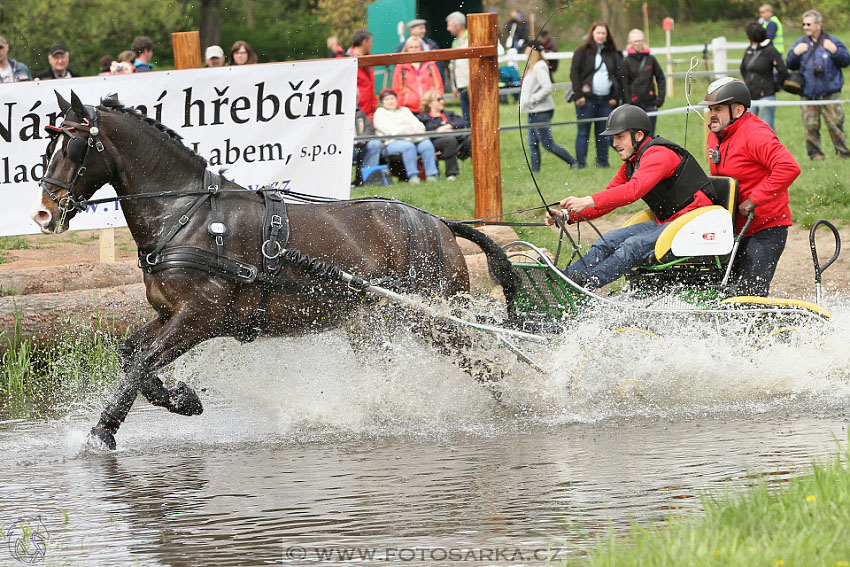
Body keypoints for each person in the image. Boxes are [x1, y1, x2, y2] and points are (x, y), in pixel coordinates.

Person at [544, 105, 715, 290]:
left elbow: (633, 190)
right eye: (613, 138)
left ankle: (582, 285)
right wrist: (567, 216)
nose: (614, 143)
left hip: (694, 224)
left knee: (633, 245)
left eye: (620, 137)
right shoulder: (633, 162)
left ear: (639, 135)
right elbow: (607, 202)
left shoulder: (658, 155)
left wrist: (586, 200)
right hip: (669, 223)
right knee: (608, 240)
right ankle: (566, 280)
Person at [700, 77, 800, 297]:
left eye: (718, 108)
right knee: (722, 293)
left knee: (749, 296)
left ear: (737, 110)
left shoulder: (755, 133)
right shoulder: (715, 136)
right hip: (733, 230)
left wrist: (754, 200)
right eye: (710, 109)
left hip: (765, 229)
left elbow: (789, 167)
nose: (711, 114)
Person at [785, 10, 850, 161]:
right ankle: (816, 156)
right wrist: (795, 53)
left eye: (809, 24)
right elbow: (790, 64)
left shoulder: (832, 41)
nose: (805, 27)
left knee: (836, 126)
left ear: (819, 24)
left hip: (830, 95)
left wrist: (835, 50)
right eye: (804, 24)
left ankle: (843, 154)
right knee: (810, 127)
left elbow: (846, 60)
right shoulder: (800, 43)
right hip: (808, 95)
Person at [569, 20, 625, 169]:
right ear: (592, 33)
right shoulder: (582, 52)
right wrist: (579, 95)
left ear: (607, 35)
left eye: (603, 33)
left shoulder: (612, 54)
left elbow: (619, 76)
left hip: (606, 100)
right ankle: (581, 164)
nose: (601, 36)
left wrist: (615, 97)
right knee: (583, 133)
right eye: (598, 32)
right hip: (586, 100)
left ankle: (602, 162)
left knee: (604, 134)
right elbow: (574, 74)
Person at [520, 41, 578, 172]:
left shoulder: (539, 66)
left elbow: (547, 87)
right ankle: (535, 172)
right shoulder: (532, 67)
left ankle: (573, 162)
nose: (525, 53)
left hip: (541, 110)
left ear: (533, 51)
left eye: (527, 50)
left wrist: (532, 100)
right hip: (533, 110)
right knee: (532, 144)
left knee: (547, 144)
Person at [373, 89, 439, 184]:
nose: (391, 101)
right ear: (382, 102)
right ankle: (413, 176)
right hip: (391, 143)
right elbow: (389, 131)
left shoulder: (405, 110)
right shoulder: (380, 113)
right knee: (408, 146)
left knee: (426, 144)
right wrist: (404, 131)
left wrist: (415, 130)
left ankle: (431, 175)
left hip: (413, 138)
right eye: (387, 99)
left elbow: (419, 125)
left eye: (392, 98)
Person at [740, 22, 787, 131]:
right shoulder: (749, 50)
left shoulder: (770, 50)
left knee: (767, 128)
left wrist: (775, 86)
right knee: (748, 128)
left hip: (766, 95)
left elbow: (783, 70)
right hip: (750, 96)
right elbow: (743, 68)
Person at [417, 89, 472, 181]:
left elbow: (462, 122)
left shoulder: (448, 114)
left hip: (457, 140)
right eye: (438, 99)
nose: (442, 101)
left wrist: (449, 125)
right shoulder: (424, 117)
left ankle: (480, 169)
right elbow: (427, 129)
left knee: (471, 139)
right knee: (449, 140)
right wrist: (440, 129)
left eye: (442, 99)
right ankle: (451, 174)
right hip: (437, 143)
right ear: (430, 103)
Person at [621, 29, 665, 137]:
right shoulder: (626, 62)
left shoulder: (650, 59)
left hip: (650, 103)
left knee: (650, 135)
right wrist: (628, 104)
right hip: (634, 106)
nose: (638, 43)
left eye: (640, 41)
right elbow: (624, 85)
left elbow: (661, 78)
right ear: (630, 43)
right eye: (635, 41)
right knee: (635, 136)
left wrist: (659, 101)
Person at [392, 36, 443, 114]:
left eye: (417, 47)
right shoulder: (401, 67)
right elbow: (397, 89)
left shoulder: (430, 65)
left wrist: (437, 101)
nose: (414, 49)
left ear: (421, 48)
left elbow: (438, 86)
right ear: (406, 49)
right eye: (411, 47)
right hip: (409, 109)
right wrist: (401, 106)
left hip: (430, 107)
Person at [353, 95, 384, 186]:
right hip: (345, 147)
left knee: (375, 143)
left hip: (360, 145)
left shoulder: (360, 113)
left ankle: (368, 180)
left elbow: (369, 129)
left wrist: (363, 139)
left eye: (356, 98)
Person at [446, 11, 471, 124]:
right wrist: (454, 86)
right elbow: (454, 66)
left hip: (471, 86)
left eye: (450, 25)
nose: (448, 28)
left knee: (475, 118)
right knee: (467, 119)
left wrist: (472, 83)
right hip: (461, 87)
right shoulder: (455, 42)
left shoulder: (471, 39)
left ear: (458, 26)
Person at [348, 29, 377, 120]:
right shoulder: (347, 59)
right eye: (371, 42)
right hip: (357, 110)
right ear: (364, 42)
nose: (372, 44)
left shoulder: (369, 58)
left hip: (370, 108)